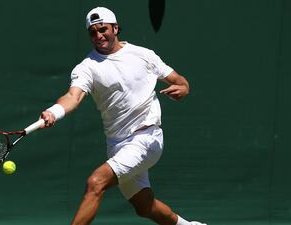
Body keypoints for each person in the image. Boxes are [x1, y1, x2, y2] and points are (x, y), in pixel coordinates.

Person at [39, 6, 206, 225]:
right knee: (145, 207)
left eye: (103, 29)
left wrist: (183, 88)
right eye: (93, 32)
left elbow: (180, 81)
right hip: (117, 145)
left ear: (115, 28)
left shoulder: (144, 55)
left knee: (96, 183)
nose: (99, 36)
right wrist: (54, 111)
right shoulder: (87, 67)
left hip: (147, 138)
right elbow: (73, 96)